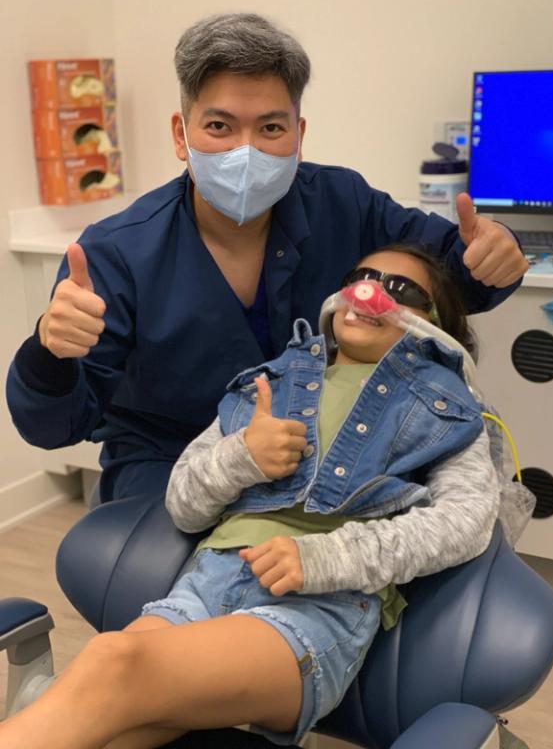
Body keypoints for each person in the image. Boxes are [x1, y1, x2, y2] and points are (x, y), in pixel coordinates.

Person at [6, 12, 527, 508]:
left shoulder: (343, 203)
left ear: (299, 136)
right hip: (171, 467)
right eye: (219, 126)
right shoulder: (116, 252)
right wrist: (49, 350)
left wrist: (493, 253)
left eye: (271, 129)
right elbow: (53, 426)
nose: (246, 150)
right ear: (180, 136)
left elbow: (458, 277)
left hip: (326, 452)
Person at [0, 246, 500, 749]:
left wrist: (327, 556)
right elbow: (183, 503)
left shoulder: (446, 408)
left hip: (312, 612)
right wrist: (244, 457)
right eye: (361, 277)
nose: (369, 292)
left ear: (434, 326)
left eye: (401, 289)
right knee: (102, 722)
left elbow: (466, 520)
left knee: (111, 662)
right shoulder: (272, 382)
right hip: (204, 586)